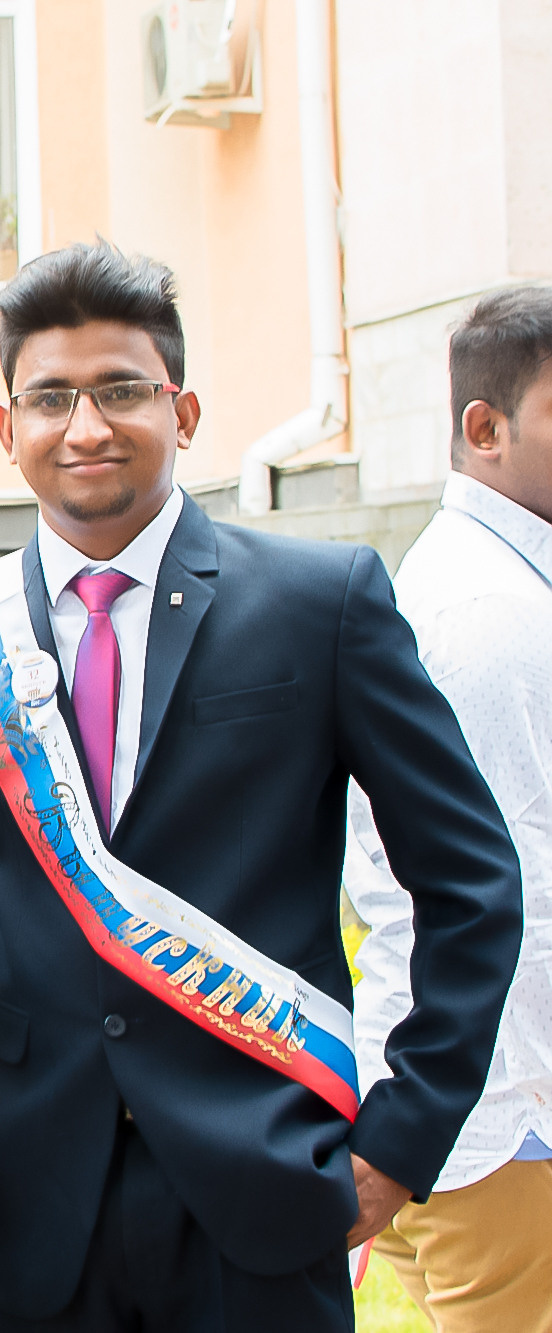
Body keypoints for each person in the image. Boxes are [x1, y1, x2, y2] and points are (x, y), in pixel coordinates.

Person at [0, 242, 524, 1333]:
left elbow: (469, 882)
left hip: (269, 1191)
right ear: (7, 431)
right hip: (38, 1207)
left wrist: (399, 1138)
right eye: (48, 397)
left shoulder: (320, 602)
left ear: (181, 412)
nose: (84, 426)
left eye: (121, 390)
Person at [343, 286, 552, 1333]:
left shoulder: (494, 583)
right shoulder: (487, 613)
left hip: (470, 1104)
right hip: (508, 1116)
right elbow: (514, 899)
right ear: (483, 428)